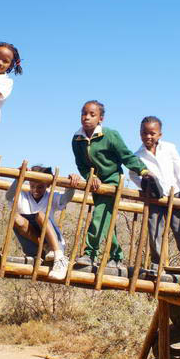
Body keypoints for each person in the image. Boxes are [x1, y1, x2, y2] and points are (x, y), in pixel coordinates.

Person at [68, 101, 154, 269]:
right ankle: (116, 256)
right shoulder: (77, 139)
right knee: (106, 217)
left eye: (92, 115)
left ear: (101, 118)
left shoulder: (110, 135)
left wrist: (143, 171)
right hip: (95, 183)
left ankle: (90, 253)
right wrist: (90, 176)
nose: (87, 117)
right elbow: (81, 165)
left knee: (99, 215)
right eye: (84, 113)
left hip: (113, 181)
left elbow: (126, 156)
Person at [129, 116, 180, 269]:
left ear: (159, 134)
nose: (148, 136)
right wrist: (145, 186)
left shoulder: (169, 148)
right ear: (140, 133)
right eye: (144, 133)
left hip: (174, 196)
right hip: (154, 198)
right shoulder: (137, 156)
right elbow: (133, 174)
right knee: (154, 231)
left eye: (152, 133)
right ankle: (157, 265)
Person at [6, 165, 73, 279]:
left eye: (40, 187)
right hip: (34, 247)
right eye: (32, 186)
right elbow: (9, 196)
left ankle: (59, 258)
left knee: (41, 215)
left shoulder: (51, 196)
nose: (35, 190)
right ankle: (45, 247)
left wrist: (72, 185)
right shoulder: (23, 196)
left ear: (48, 185)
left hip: (54, 245)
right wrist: (18, 178)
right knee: (15, 218)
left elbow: (66, 198)